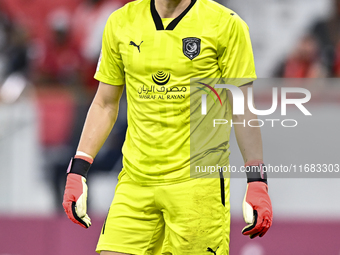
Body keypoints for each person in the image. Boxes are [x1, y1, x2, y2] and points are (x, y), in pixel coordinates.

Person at [62, 0, 273, 254]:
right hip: (135, 181)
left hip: (197, 187)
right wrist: (78, 169)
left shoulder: (226, 25)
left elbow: (242, 109)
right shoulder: (120, 23)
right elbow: (105, 104)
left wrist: (257, 181)